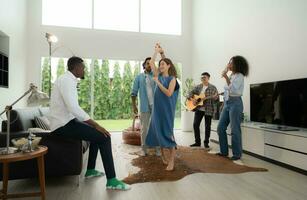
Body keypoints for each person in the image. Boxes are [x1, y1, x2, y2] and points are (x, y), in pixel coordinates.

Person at [48, 56, 131, 190]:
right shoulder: (66, 81)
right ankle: (111, 180)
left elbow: (72, 108)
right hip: (62, 126)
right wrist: (96, 124)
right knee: (105, 137)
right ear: (76, 68)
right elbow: (73, 108)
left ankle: (91, 170)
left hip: (67, 122)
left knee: (96, 135)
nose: (84, 69)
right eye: (83, 67)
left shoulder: (68, 80)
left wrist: (93, 125)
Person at [145, 44, 180, 171]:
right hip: (157, 110)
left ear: (169, 66)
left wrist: (157, 82)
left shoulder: (172, 79)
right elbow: (151, 62)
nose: (160, 66)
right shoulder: (157, 74)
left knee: (167, 133)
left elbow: (169, 93)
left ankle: (172, 161)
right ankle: (164, 157)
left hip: (166, 111)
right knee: (158, 132)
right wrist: (156, 51)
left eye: (163, 64)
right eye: (160, 65)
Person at [131, 50, 165, 156]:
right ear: (144, 65)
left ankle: (158, 149)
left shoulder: (156, 75)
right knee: (144, 128)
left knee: (156, 128)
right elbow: (133, 93)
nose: (149, 65)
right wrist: (134, 106)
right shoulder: (139, 77)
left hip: (156, 106)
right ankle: (144, 149)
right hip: (144, 106)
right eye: (147, 63)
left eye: (151, 63)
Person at [216, 55, 249, 161]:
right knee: (220, 127)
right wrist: (223, 103)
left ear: (236, 64)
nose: (229, 64)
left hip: (236, 103)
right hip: (227, 103)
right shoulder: (232, 75)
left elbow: (234, 90)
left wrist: (225, 76)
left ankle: (237, 154)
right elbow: (227, 90)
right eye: (229, 62)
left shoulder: (239, 76)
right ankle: (224, 152)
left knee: (235, 130)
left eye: (231, 62)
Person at [188, 72, 219, 149]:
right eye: (201, 78)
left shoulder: (213, 88)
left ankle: (206, 142)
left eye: (204, 77)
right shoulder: (198, 87)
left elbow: (216, 99)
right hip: (199, 109)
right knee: (195, 124)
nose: (203, 79)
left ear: (208, 78)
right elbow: (190, 93)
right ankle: (197, 142)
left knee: (207, 126)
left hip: (209, 109)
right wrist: (193, 100)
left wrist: (215, 97)